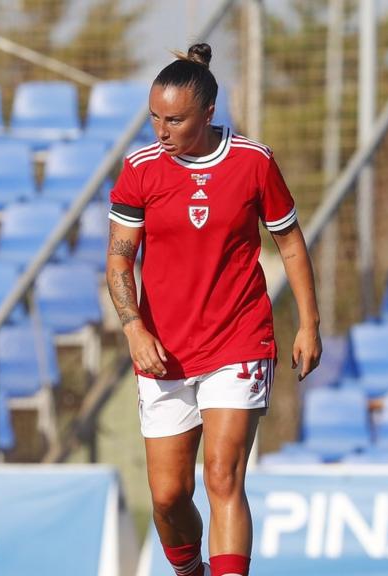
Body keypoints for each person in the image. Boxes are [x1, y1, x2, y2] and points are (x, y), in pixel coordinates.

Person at [106, 44, 320, 576]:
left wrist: (309, 324)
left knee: (222, 477)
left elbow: (290, 243)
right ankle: (189, 571)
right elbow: (117, 262)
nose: (161, 130)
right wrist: (134, 330)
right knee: (168, 498)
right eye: (154, 117)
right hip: (164, 351)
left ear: (208, 112)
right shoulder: (139, 170)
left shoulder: (253, 162)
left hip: (239, 340)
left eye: (174, 119)